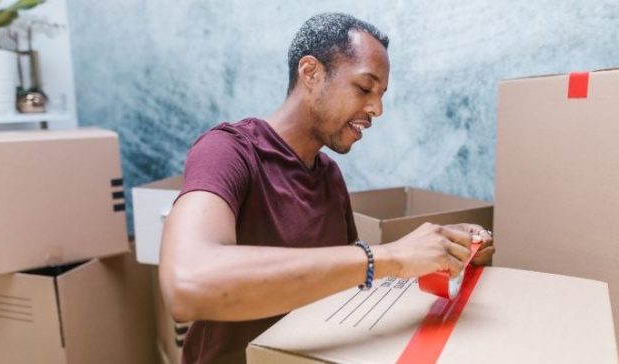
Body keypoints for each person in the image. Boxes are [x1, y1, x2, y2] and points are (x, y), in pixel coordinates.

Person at [159, 12, 495, 364]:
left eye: (381, 95)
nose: (377, 109)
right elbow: (188, 283)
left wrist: (439, 250)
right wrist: (391, 256)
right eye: (365, 88)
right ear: (311, 73)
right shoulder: (228, 151)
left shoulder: (330, 176)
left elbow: (345, 275)